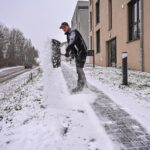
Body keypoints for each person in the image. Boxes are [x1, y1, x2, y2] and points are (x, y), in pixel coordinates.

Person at [60, 22, 87, 92]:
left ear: (68, 26)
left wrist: (67, 50)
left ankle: (80, 87)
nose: (63, 29)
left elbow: (72, 42)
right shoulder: (68, 35)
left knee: (79, 69)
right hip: (78, 53)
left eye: (64, 27)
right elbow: (72, 47)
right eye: (62, 28)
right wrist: (70, 53)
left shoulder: (73, 32)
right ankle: (84, 85)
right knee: (79, 69)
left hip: (82, 51)